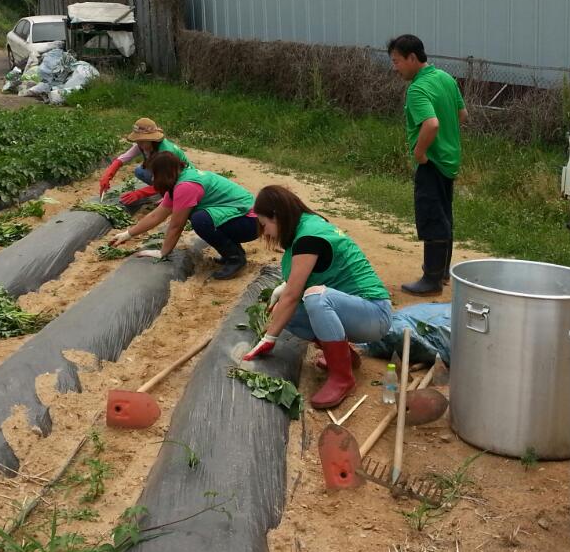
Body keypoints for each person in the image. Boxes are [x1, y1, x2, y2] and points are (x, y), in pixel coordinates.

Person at [241, 185, 392, 409]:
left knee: (315, 298)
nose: (267, 233)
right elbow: (304, 279)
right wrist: (284, 289)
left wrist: (269, 338)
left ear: (276, 216)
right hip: (353, 310)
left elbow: (293, 295)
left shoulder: (308, 238)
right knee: (285, 313)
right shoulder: (305, 224)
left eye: (265, 225)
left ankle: (342, 378)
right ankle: (344, 357)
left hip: (373, 313)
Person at [388, 34, 469, 295]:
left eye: (397, 61)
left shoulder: (418, 89)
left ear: (412, 58)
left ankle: (431, 280)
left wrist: (420, 152)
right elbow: (462, 114)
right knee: (444, 215)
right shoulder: (445, 78)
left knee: (432, 217)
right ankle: (442, 272)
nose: (395, 67)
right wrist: (447, 139)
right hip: (449, 160)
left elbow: (431, 124)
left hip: (432, 162)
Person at [110, 151, 258, 279]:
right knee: (202, 217)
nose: (153, 179)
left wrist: (163, 252)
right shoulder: (179, 179)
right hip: (244, 217)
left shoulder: (185, 187)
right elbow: (157, 215)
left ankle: (235, 259)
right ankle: (233, 253)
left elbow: (176, 226)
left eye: (154, 174)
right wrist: (127, 234)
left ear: (164, 173)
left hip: (250, 222)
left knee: (200, 220)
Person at [97, 117, 192, 206]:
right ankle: (165, 193)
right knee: (140, 171)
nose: (139, 144)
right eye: (137, 141)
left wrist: (140, 193)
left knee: (165, 184)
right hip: (168, 175)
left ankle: (170, 195)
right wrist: (107, 175)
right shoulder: (143, 145)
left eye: (141, 141)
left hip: (182, 179)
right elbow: (123, 159)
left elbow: (168, 179)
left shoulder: (165, 153)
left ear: (151, 139)